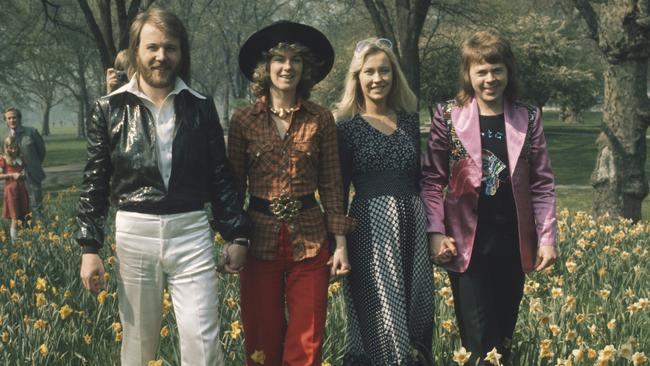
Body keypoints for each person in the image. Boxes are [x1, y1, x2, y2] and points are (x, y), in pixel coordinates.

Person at [76, 7, 251, 366]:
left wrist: (237, 234)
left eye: (170, 48)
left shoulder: (201, 108)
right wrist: (89, 247)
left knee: (203, 344)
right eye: (152, 47)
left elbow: (219, 176)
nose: (161, 56)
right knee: (139, 345)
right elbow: (94, 181)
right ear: (136, 51)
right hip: (134, 233)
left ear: (181, 52)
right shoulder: (108, 109)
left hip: (191, 233)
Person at [420, 30, 558, 365]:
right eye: (480, 71)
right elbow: (431, 180)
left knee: (504, 342)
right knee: (481, 344)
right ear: (468, 74)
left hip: (513, 243)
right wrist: (436, 232)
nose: (490, 78)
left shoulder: (528, 116)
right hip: (468, 246)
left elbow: (542, 183)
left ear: (508, 72)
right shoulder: (448, 116)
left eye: (497, 69)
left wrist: (547, 238)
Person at [228, 21, 355, 366]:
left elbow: (331, 184)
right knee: (261, 336)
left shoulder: (321, 119)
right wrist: (233, 238)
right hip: (258, 236)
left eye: (296, 60)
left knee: (307, 337)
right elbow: (233, 187)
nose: (288, 67)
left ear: (306, 68)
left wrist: (340, 243)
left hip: (310, 238)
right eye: (279, 59)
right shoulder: (243, 120)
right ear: (265, 68)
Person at [333, 38, 434, 365]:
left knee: (415, 306)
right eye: (369, 72)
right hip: (370, 231)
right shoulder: (346, 127)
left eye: (384, 71)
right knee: (382, 311)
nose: (378, 79)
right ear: (357, 78)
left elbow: (423, 178)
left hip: (413, 228)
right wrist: (338, 243)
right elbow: (338, 188)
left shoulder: (407, 119)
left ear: (394, 75)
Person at [3, 107, 45, 223]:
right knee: (19, 208)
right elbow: (6, 158)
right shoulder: (5, 138)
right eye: (9, 118)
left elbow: (41, 151)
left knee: (36, 205)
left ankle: (41, 234)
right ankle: (24, 236)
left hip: (32, 175)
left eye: (14, 117)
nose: (12, 120)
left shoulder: (31, 132)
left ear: (19, 119)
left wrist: (33, 166)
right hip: (14, 181)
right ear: (6, 120)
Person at [0, 135, 29, 242]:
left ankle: (25, 239)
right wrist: (12, 175)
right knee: (14, 216)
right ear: (6, 148)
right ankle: (14, 241)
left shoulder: (20, 159)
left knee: (24, 214)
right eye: (10, 147)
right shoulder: (3, 159)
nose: (13, 150)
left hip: (21, 189)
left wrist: (23, 174)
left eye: (15, 147)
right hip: (11, 191)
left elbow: (25, 173)